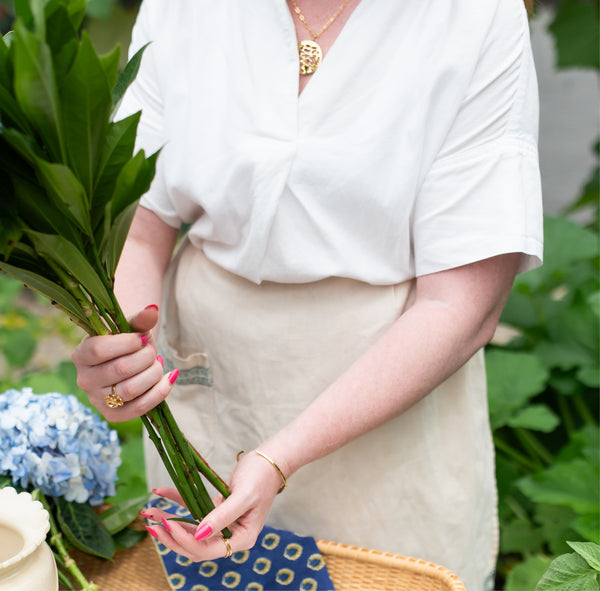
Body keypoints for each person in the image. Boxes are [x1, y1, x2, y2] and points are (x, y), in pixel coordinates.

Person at [71, 1, 543, 588]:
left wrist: (279, 458)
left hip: (385, 398)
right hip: (211, 391)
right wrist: (118, 346)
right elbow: (139, 225)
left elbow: (461, 305)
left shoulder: (473, 16)